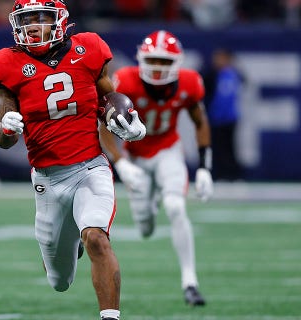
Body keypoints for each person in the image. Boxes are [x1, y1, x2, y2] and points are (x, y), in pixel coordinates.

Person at [0, 1, 146, 319]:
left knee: (96, 238)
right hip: (47, 178)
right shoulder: (7, 64)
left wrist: (129, 121)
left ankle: (110, 316)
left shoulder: (89, 49)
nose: (31, 26)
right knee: (59, 281)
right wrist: (6, 128)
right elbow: (3, 140)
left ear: (59, 21)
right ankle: (67, 242)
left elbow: (108, 98)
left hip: (90, 167)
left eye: (39, 19)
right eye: (25, 20)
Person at [99, 30, 213, 307]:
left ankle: (190, 282)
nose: (159, 67)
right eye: (154, 60)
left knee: (175, 206)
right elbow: (103, 126)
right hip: (135, 155)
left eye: (164, 61)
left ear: (176, 62)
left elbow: (200, 122)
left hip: (168, 150)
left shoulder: (189, 82)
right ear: (142, 58)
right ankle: (149, 202)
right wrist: (121, 163)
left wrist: (205, 167)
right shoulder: (125, 79)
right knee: (146, 228)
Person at [203, 48, 243, 181]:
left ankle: (232, 174)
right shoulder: (212, 75)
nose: (217, 61)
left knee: (229, 147)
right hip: (215, 118)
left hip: (228, 118)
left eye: (221, 58)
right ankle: (218, 174)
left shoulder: (232, 75)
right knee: (216, 148)